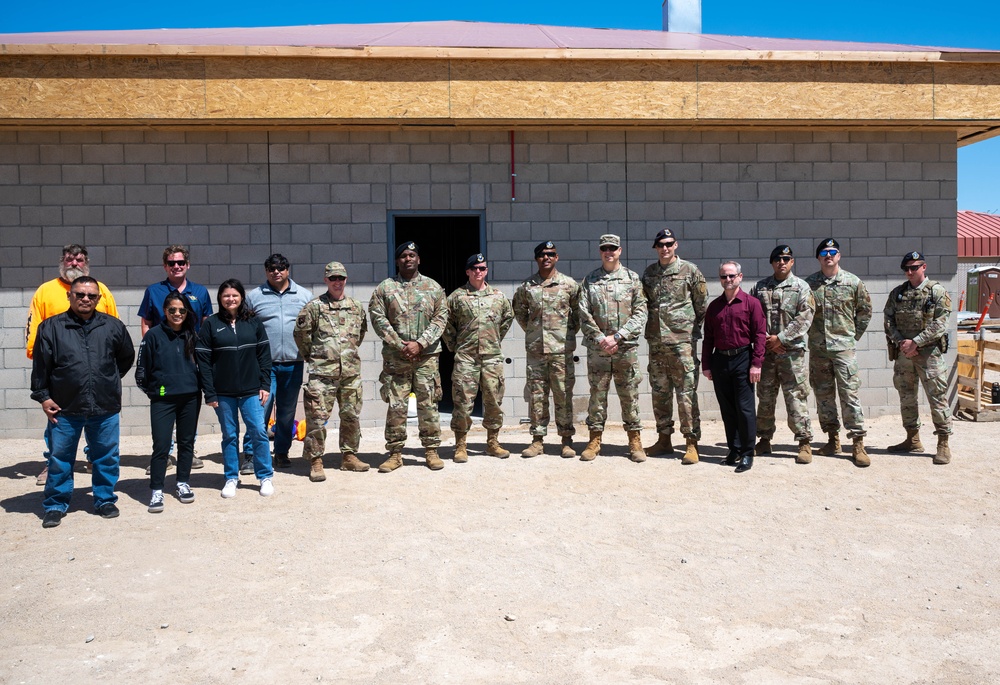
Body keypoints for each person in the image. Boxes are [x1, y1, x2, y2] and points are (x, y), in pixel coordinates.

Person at [30, 276, 135, 528]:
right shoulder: (51, 327)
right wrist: (44, 397)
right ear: (70, 296)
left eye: (91, 295)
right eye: (80, 294)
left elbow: (126, 357)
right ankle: (55, 503)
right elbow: (41, 367)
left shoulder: (113, 326)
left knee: (106, 456)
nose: (85, 299)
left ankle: (104, 499)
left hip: (105, 405)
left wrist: (106, 379)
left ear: (98, 298)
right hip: (64, 407)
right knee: (60, 458)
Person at [25, 244, 119, 486]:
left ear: (86, 262)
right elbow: (34, 328)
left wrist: (109, 372)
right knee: (58, 426)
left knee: (99, 428)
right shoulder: (46, 291)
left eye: (79, 259)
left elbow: (116, 334)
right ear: (62, 261)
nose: (74, 263)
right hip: (62, 378)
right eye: (70, 259)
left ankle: (92, 460)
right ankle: (52, 464)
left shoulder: (102, 290)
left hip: (98, 379)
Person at [369, 242, 449, 472]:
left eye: (412, 255)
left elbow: (440, 319)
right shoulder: (385, 288)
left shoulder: (433, 287)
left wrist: (420, 343)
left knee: (429, 404)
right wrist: (398, 343)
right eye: (403, 256)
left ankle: (431, 451)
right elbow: (378, 318)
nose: (408, 259)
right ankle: (395, 454)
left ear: (419, 259)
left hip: (426, 358)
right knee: (396, 406)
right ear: (397, 261)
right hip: (397, 358)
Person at [137, 244, 212, 471]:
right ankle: (164, 453)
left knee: (189, 401)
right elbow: (146, 322)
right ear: (165, 266)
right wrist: (152, 350)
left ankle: (187, 450)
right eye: (172, 263)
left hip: (190, 356)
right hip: (164, 359)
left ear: (187, 265)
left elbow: (205, 322)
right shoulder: (154, 291)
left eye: (180, 262)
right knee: (163, 401)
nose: (176, 266)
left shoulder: (200, 292)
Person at [197, 279, 274, 498]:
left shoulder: (254, 323)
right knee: (229, 435)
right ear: (220, 299)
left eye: (235, 295)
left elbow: (264, 356)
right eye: (226, 296)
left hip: (252, 390)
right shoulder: (210, 324)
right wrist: (209, 392)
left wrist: (265, 384)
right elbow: (203, 361)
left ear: (242, 297)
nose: (230, 299)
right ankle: (231, 478)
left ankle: (265, 476)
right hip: (223, 393)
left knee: (258, 432)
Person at [294, 261, 369, 482]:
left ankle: (349, 456)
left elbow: (360, 333)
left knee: (351, 416)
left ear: (346, 280)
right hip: (322, 375)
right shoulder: (314, 307)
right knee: (316, 419)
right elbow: (301, 335)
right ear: (326, 280)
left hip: (350, 374)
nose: (337, 282)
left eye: (341, 278)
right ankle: (316, 460)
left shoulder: (356, 306)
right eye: (333, 278)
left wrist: (346, 355)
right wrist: (315, 357)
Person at [578, 234, 648, 462]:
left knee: (629, 395)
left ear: (620, 250)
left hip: (624, 349)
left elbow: (641, 312)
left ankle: (635, 441)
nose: (609, 252)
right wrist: (601, 339)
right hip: (599, 350)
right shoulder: (590, 280)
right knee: (597, 395)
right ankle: (594, 439)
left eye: (613, 248)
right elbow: (583, 313)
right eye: (604, 248)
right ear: (600, 252)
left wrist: (618, 336)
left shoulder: (632, 279)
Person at [641, 228, 708, 464]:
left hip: (682, 344)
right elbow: (644, 305)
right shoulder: (649, 274)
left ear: (675, 245)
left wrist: (689, 330)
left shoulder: (690, 271)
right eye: (661, 244)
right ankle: (664, 440)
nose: (665, 248)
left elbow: (701, 305)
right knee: (660, 393)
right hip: (657, 344)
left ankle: (691, 443)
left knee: (686, 395)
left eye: (669, 244)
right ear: (656, 248)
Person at [241, 254, 313, 473]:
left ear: (288, 270)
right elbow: (245, 328)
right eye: (272, 268)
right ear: (266, 271)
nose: (276, 272)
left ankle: (281, 452)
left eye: (281, 268)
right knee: (259, 410)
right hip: (263, 365)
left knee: (286, 412)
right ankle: (251, 454)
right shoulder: (254, 296)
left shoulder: (304, 295)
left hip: (293, 363)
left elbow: (312, 328)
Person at [805, 238, 873, 467]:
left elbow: (865, 311)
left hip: (843, 350)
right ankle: (832, 439)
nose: (828, 256)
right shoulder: (810, 284)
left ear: (839, 256)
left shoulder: (853, 282)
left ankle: (857, 444)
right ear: (818, 258)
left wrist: (851, 337)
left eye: (833, 252)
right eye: (824, 252)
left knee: (850, 396)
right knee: (823, 397)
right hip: (818, 350)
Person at [512, 241, 582, 459]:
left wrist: (565, 334)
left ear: (557, 257)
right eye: (542, 254)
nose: (546, 258)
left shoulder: (569, 285)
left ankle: (566, 440)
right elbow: (520, 313)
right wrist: (534, 332)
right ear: (536, 259)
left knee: (563, 395)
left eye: (551, 254)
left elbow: (579, 316)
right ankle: (537, 440)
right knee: (537, 397)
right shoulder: (527, 287)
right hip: (536, 352)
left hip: (561, 351)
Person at [442, 253, 515, 462]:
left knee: (494, 401)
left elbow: (507, 318)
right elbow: (446, 324)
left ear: (487, 271)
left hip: (492, 357)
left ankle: (493, 443)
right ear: (467, 271)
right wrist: (455, 346)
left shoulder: (498, 297)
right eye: (474, 268)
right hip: (466, 358)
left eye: (482, 268)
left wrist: (494, 340)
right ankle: (461, 446)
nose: (478, 271)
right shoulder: (456, 297)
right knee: (463, 402)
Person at [884, 251, 954, 464]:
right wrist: (901, 343)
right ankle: (912, 439)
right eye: (907, 268)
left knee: (937, 398)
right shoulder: (898, 293)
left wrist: (916, 342)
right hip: (904, 355)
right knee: (906, 397)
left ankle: (943, 443)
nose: (910, 272)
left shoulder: (936, 291)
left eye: (915, 267)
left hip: (929, 355)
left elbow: (942, 322)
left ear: (924, 267)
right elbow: (888, 320)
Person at [135, 291, 201, 512]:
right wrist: (155, 391)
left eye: (182, 310)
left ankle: (182, 482)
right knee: (161, 446)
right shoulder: (153, 335)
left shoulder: (192, 334)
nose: (177, 314)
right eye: (172, 309)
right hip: (162, 400)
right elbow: (141, 371)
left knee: (186, 443)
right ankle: (156, 490)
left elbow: (202, 366)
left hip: (190, 398)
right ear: (164, 311)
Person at [751, 245, 816, 463]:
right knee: (765, 398)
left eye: (786, 258)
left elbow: (805, 317)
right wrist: (768, 342)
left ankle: (804, 442)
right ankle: (764, 439)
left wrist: (781, 339)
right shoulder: (760, 288)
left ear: (792, 262)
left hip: (792, 354)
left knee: (796, 397)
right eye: (777, 259)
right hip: (767, 354)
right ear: (772, 263)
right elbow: (752, 318)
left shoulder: (802, 287)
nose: (782, 262)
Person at [702, 261, 766, 473]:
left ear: (740, 277)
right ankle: (734, 449)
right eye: (723, 276)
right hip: (720, 360)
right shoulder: (714, 307)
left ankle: (748, 453)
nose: (727, 280)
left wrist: (756, 363)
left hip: (743, 359)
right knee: (727, 409)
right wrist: (707, 364)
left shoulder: (751, 303)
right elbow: (708, 338)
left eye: (731, 276)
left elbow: (759, 335)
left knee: (745, 409)